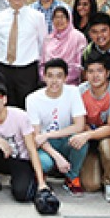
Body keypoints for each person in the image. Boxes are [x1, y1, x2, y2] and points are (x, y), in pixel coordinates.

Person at [26, 58, 88, 196]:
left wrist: (48, 134)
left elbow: (79, 126)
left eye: (59, 76)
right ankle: (42, 175)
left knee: (81, 139)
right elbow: (37, 136)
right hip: (44, 144)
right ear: (44, 77)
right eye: (50, 76)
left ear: (66, 77)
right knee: (45, 163)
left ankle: (72, 178)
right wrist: (57, 156)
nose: (54, 81)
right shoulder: (33, 99)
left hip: (64, 139)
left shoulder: (73, 92)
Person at [0, 0, 47, 108]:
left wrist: (41, 70)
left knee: (28, 107)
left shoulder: (37, 17)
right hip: (4, 69)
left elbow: (43, 44)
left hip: (28, 70)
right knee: (5, 107)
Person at [73, 51, 110, 196]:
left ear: (107, 73)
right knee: (90, 185)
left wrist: (88, 134)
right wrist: (86, 131)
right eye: (90, 71)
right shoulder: (80, 90)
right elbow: (78, 120)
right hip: (89, 139)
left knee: (107, 146)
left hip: (109, 137)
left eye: (99, 71)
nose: (95, 75)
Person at [40, 6, 87, 85]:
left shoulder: (78, 37)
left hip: (70, 84)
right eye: (56, 17)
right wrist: (47, 78)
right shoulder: (48, 39)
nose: (59, 20)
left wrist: (60, 79)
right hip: (49, 84)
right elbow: (42, 65)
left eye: (62, 17)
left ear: (68, 19)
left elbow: (79, 67)